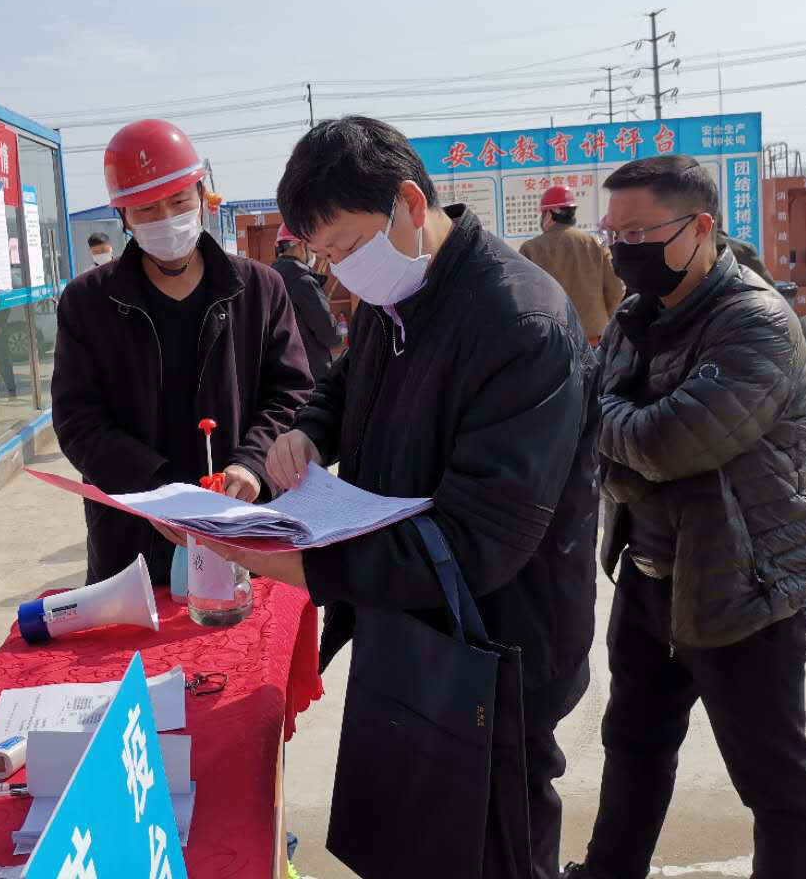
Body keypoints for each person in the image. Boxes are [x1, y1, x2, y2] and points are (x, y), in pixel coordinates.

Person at [202, 116, 599, 876]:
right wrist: (309, 433)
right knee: (418, 840)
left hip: (497, 648)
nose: (342, 273)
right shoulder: (402, 293)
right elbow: (347, 382)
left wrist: (294, 562)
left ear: (411, 204)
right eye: (326, 257)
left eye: (349, 247)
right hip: (411, 619)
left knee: (493, 844)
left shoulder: (520, 322)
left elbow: (480, 541)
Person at [565, 155, 806, 879]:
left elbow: (667, 442)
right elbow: (621, 433)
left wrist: (618, 429)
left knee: (774, 781)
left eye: (639, 233)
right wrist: (627, 435)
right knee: (634, 744)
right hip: (651, 571)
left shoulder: (755, 323)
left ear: (701, 227)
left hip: (746, 581)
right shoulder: (636, 314)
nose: (622, 249)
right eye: (613, 233)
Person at [51, 119, 313, 585]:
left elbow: (291, 394)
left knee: (244, 625)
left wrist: (253, 463)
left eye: (177, 201)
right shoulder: (88, 302)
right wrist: (152, 490)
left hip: (242, 525)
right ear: (123, 217)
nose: (165, 218)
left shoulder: (259, 288)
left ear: (202, 195)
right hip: (133, 535)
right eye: (146, 208)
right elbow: (78, 421)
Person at [520, 185, 625, 346]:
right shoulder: (595, 243)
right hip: (593, 339)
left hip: (552, 341)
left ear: (550, 214)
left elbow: (524, 298)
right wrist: (604, 316)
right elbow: (616, 287)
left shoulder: (531, 249)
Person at [271, 223, 344, 386]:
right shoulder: (303, 282)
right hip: (310, 379)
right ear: (303, 246)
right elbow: (329, 334)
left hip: (278, 380)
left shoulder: (267, 280)